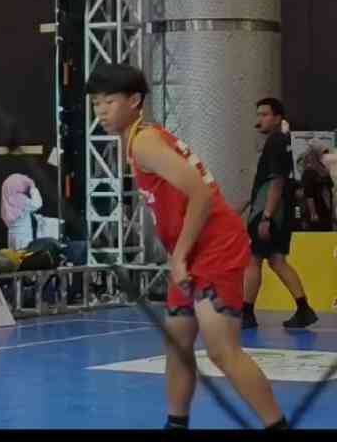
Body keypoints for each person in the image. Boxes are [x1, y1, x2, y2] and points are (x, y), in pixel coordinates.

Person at [86, 63, 287, 430]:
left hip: (216, 247)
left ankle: (277, 425)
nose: (100, 110)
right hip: (193, 249)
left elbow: (201, 194)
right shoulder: (138, 140)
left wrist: (178, 256)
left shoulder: (145, 142)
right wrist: (178, 252)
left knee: (223, 351)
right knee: (178, 342)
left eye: (109, 101)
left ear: (135, 101)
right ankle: (176, 424)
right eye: (96, 102)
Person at [240, 98, 318, 330]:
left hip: (271, 211)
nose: (260, 119)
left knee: (253, 259)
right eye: (259, 114)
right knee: (277, 260)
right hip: (280, 211)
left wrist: (265, 217)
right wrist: (247, 203)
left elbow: (276, 182)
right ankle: (303, 309)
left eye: (265, 115)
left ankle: (246, 313)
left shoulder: (275, 142)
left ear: (277, 118)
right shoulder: (285, 142)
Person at [0, 173, 43, 250]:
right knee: (23, 256)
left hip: (12, 236)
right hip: (22, 238)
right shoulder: (19, 198)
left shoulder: (7, 198)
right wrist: (33, 188)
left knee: (13, 256)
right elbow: (37, 204)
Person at [301, 139, 334, 231]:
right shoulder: (309, 172)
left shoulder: (324, 170)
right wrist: (313, 213)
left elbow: (329, 191)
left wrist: (332, 212)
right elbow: (309, 195)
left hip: (326, 211)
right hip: (316, 213)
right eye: (323, 153)